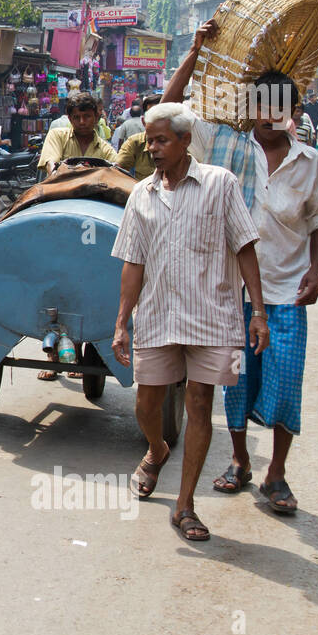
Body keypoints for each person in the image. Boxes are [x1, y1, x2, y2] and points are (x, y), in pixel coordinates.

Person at [165, 20, 318, 516]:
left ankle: (276, 473)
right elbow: (169, 108)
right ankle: (239, 460)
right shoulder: (224, 144)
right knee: (234, 381)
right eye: (260, 107)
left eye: (278, 109)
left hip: (284, 292)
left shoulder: (309, 163)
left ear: (293, 113)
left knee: (285, 381)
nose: (268, 117)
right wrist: (196, 50)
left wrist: (317, 269)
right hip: (228, 294)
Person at [111, 102, 268, 544]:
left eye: (162, 140)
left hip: (212, 315)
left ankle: (185, 506)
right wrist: (122, 321)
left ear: (185, 141)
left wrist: (257, 312)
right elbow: (132, 262)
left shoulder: (220, 184)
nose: (153, 148)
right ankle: (157, 448)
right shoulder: (142, 193)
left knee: (200, 403)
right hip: (158, 314)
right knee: (147, 404)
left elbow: (245, 247)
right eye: (149, 140)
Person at [37, 92, 118, 176]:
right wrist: (54, 174)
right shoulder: (57, 136)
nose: (82, 122)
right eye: (76, 117)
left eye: (87, 116)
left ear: (96, 117)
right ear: (70, 119)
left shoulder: (106, 150)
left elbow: (118, 170)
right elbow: (51, 163)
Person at [115, 95, 162, 180]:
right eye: (153, 117)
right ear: (144, 121)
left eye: (162, 117)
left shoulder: (179, 143)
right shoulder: (134, 142)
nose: (158, 122)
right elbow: (117, 171)